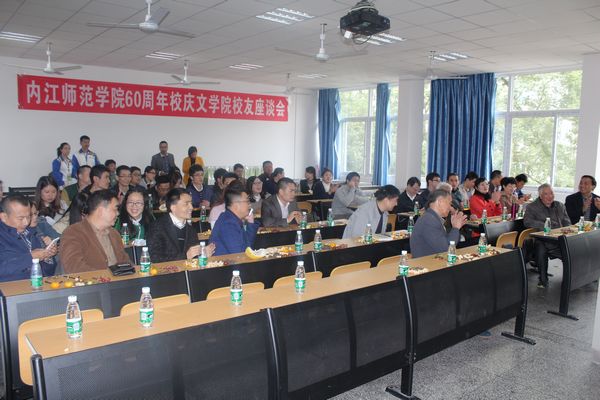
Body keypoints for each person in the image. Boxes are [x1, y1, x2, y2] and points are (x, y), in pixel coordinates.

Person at [60, 190, 130, 274]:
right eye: (115, 209)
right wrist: (106, 276)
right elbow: (74, 267)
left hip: (120, 281)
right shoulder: (73, 233)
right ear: (101, 211)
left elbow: (126, 263)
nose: (118, 213)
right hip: (92, 281)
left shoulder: (114, 234)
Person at [524, 183, 572, 288]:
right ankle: (543, 279)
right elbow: (527, 221)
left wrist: (567, 230)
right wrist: (545, 225)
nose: (550, 196)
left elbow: (567, 222)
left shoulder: (560, 205)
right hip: (542, 238)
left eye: (551, 193)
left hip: (559, 238)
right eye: (546, 194)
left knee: (574, 247)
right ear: (541, 196)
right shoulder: (532, 207)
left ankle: (573, 278)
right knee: (541, 246)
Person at [146, 188, 214, 262]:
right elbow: (155, 258)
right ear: (173, 207)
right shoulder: (157, 227)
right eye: (186, 204)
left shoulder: (191, 230)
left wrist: (203, 254)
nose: (191, 207)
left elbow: (194, 257)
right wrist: (186, 256)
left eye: (191, 203)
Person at [0, 195, 58, 281]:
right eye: (20, 218)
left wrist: (47, 256)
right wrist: (30, 258)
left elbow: (47, 273)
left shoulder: (30, 233)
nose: (26, 222)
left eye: (28, 217)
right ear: (4, 217)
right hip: (10, 287)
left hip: (36, 285)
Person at [410, 190, 467, 258]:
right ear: (440, 202)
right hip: (427, 263)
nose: (450, 207)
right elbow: (446, 249)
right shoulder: (429, 221)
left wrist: (455, 227)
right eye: (449, 203)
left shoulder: (431, 217)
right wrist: (455, 228)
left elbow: (445, 241)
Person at [211, 183, 259, 256]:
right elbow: (240, 253)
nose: (249, 205)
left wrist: (250, 223)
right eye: (247, 201)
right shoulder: (228, 223)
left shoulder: (233, 219)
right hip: (227, 263)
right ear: (236, 205)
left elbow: (247, 247)